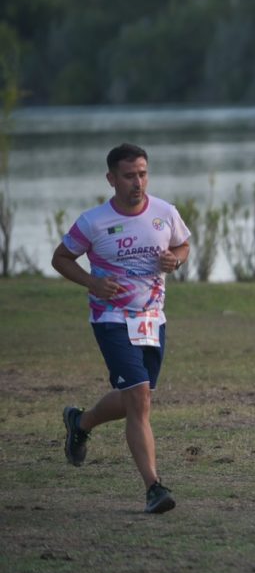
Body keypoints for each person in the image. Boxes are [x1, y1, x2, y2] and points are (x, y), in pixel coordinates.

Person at [51, 143, 191, 514]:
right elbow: (60, 258)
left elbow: (183, 245)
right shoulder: (93, 222)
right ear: (111, 179)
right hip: (111, 319)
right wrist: (91, 282)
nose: (137, 182)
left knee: (137, 399)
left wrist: (175, 260)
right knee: (139, 399)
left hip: (152, 319)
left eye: (142, 174)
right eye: (129, 176)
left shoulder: (165, 213)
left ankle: (80, 422)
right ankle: (153, 488)